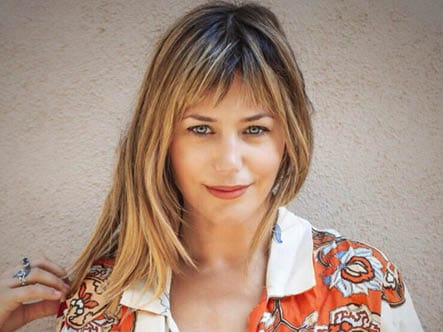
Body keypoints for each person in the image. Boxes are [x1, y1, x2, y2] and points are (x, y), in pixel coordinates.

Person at [0, 1, 423, 331]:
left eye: (255, 130)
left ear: (288, 138)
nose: (228, 161)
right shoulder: (99, 300)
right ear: (161, 140)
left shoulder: (363, 285)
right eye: (201, 130)